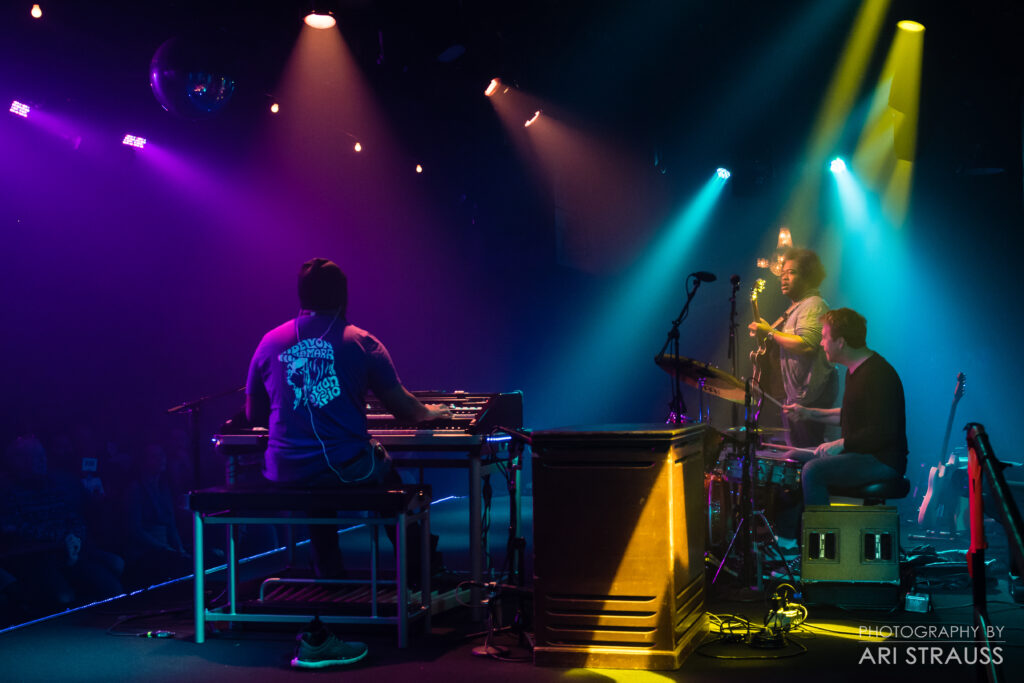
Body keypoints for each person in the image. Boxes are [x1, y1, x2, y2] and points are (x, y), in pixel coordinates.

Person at [246, 258, 448, 668]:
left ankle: (330, 583)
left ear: (300, 297)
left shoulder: (269, 342)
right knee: (390, 476)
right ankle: (422, 575)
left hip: (284, 471)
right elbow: (406, 411)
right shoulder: (362, 342)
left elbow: (253, 414)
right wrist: (436, 412)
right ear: (344, 297)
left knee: (318, 497)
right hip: (345, 467)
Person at [783, 308, 908, 506]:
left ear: (840, 342)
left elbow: (882, 432)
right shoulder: (854, 371)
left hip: (883, 460)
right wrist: (808, 413)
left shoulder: (879, 374)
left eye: (824, 337)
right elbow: (851, 415)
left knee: (813, 470)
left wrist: (841, 444)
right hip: (860, 453)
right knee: (791, 460)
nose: (821, 343)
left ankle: (822, 535)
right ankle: (791, 536)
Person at [749, 248, 838, 447]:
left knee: (807, 455)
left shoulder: (813, 305)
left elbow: (807, 345)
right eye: (782, 273)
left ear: (807, 274)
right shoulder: (796, 307)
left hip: (810, 399)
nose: (784, 278)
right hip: (796, 398)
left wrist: (770, 332)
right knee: (797, 456)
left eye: (792, 272)